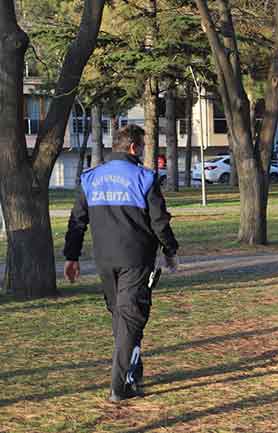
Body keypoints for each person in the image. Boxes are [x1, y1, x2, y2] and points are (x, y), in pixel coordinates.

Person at [63, 125, 179, 402]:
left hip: (104, 260)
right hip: (136, 260)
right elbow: (159, 222)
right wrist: (170, 250)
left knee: (122, 318)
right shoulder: (145, 178)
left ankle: (132, 371)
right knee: (131, 319)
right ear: (132, 147)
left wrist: (72, 257)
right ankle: (119, 386)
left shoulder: (91, 178)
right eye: (141, 146)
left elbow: (77, 221)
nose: (142, 151)